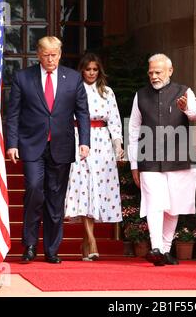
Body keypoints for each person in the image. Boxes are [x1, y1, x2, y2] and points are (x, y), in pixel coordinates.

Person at [6, 36, 90, 264]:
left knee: (55, 198)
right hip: (32, 144)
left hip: (61, 146)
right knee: (34, 190)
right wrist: (12, 144)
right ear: (38, 54)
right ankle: (30, 245)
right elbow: (12, 113)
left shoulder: (73, 78)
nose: (51, 59)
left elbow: (82, 112)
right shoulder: (23, 77)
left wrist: (85, 141)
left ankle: (52, 249)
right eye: (46, 55)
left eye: (55, 54)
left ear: (60, 54)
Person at [128, 53, 196, 266]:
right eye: (151, 72)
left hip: (178, 158)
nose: (154, 76)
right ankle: (156, 247)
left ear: (170, 71)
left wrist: (186, 108)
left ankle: (165, 249)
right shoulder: (140, 95)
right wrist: (134, 164)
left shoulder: (184, 92)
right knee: (154, 202)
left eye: (158, 72)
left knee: (174, 205)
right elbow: (133, 129)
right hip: (149, 158)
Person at [65, 53, 124, 261]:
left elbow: (115, 119)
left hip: (102, 142)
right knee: (83, 187)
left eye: (95, 69)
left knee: (97, 188)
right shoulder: (73, 88)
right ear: (81, 70)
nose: (91, 73)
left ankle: (86, 240)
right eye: (88, 69)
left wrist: (118, 145)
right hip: (79, 139)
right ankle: (92, 240)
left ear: (99, 71)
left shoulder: (107, 91)